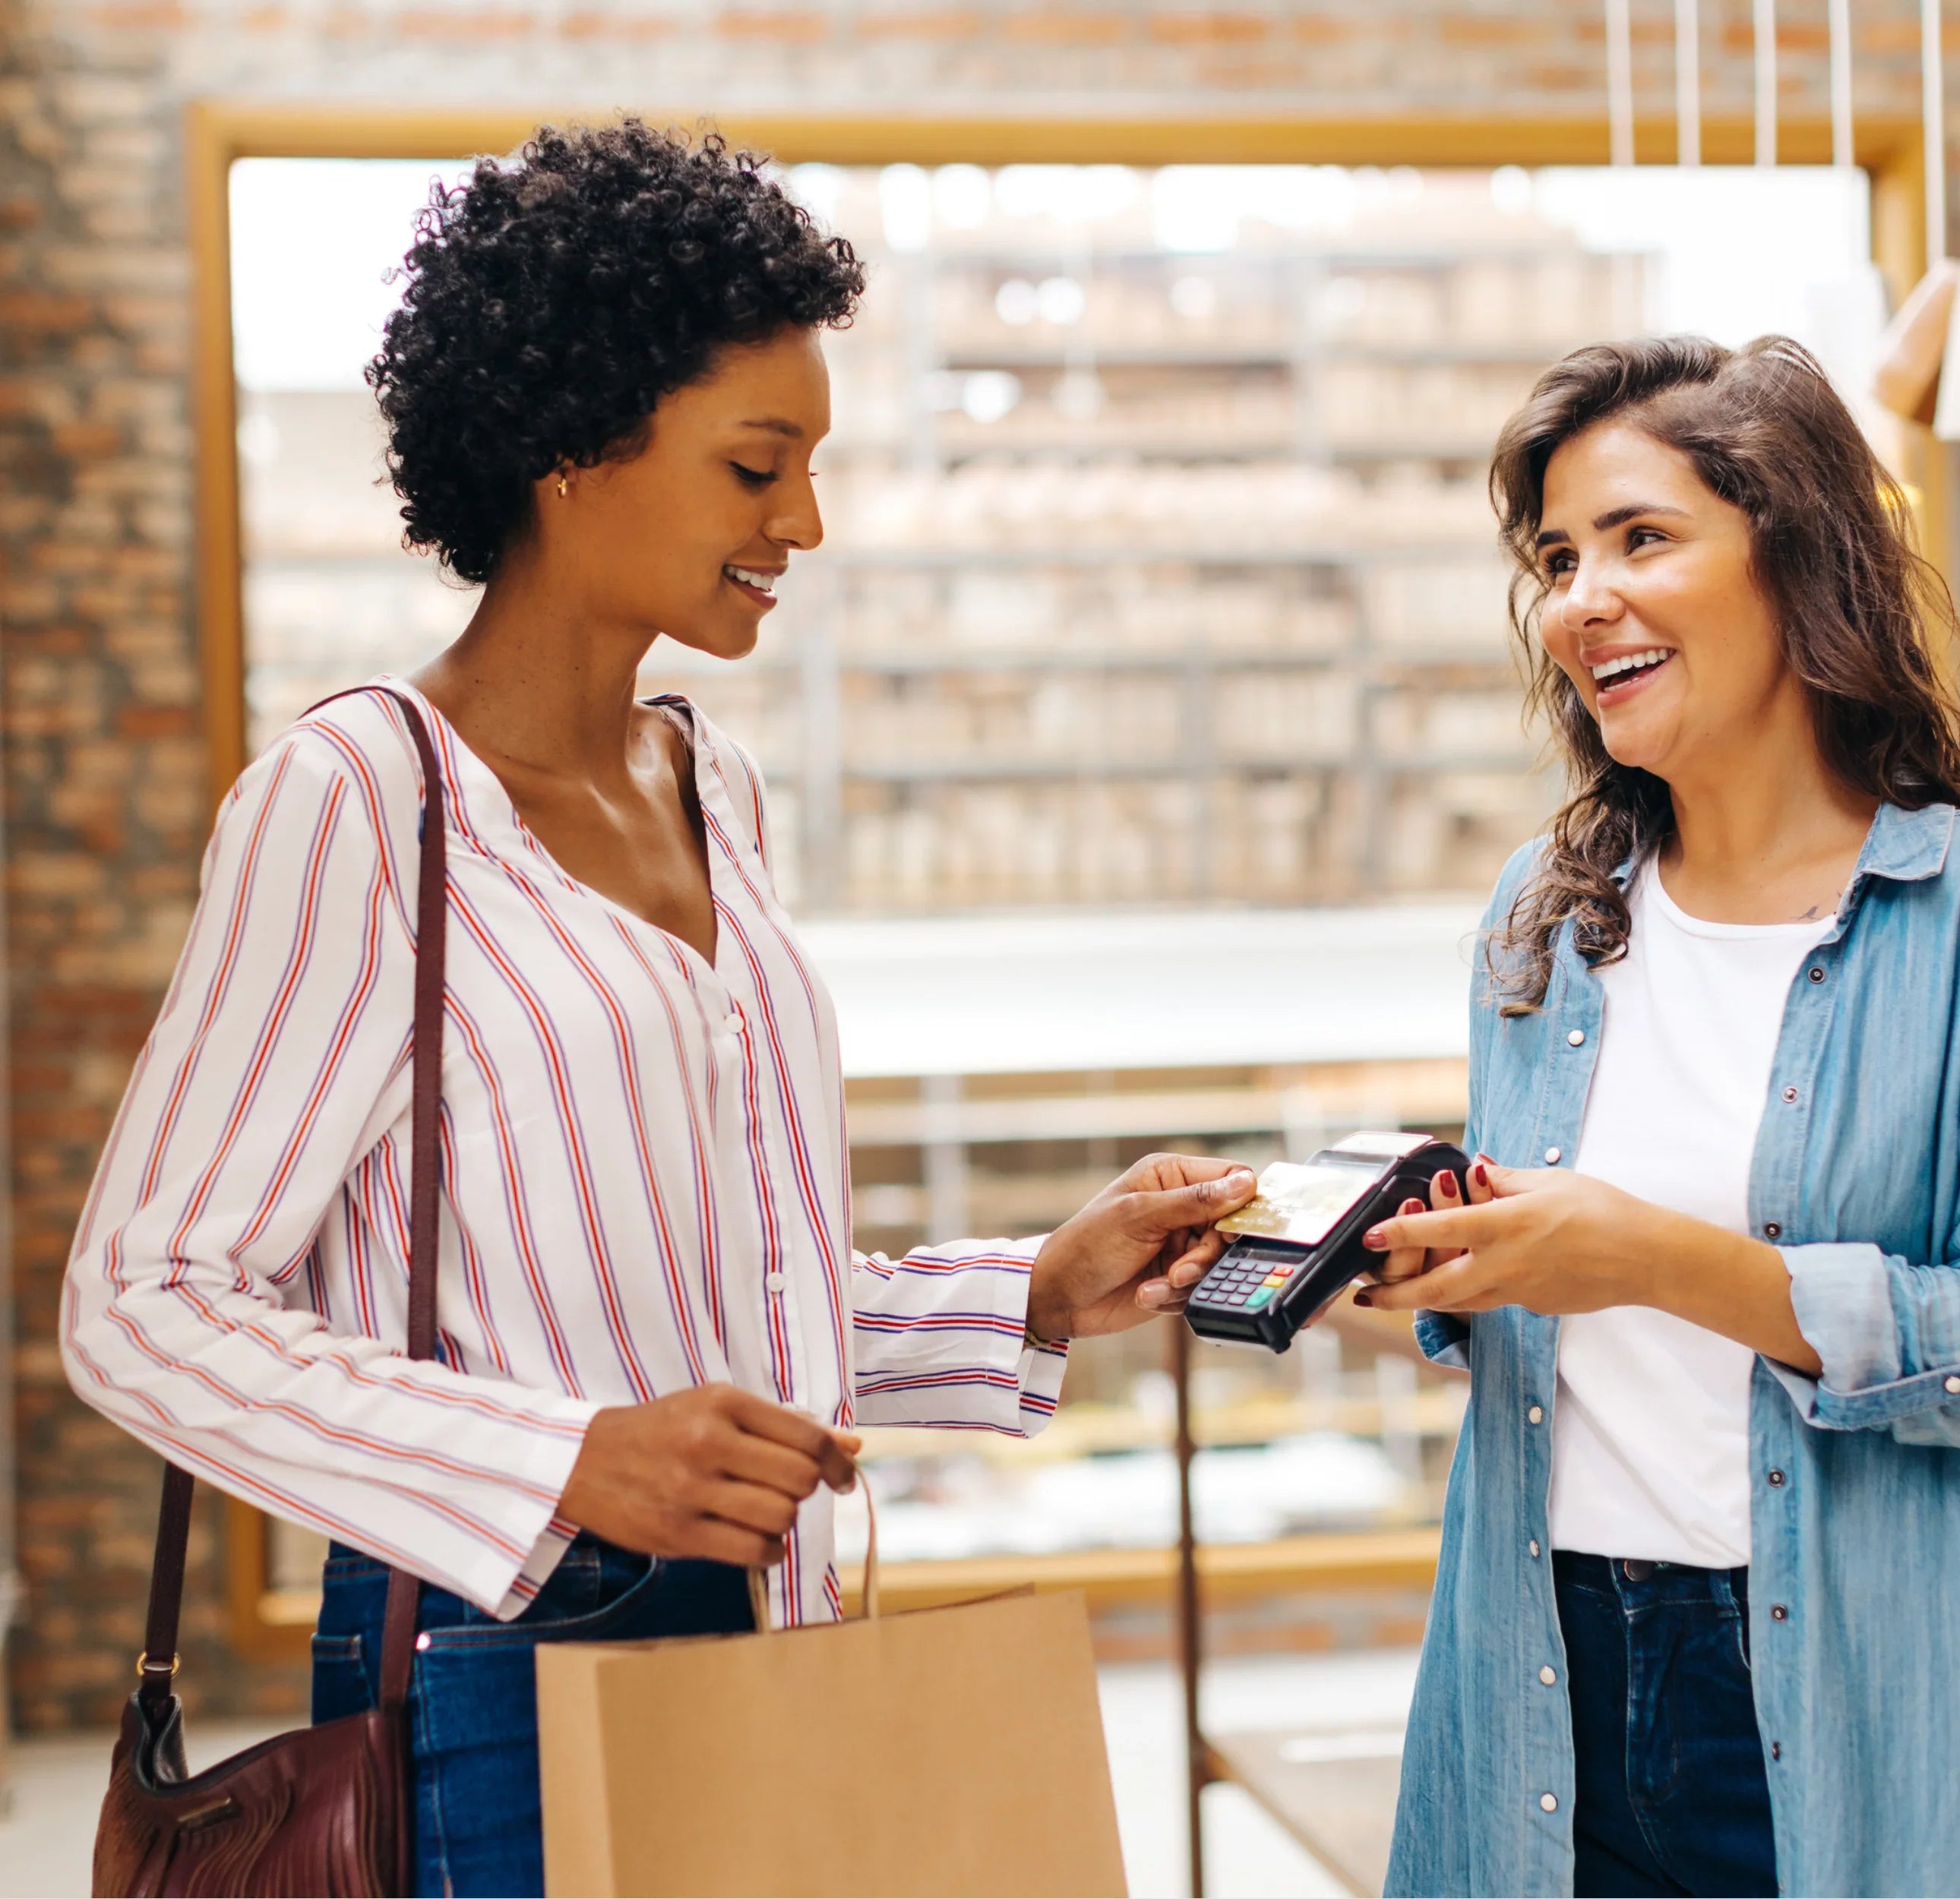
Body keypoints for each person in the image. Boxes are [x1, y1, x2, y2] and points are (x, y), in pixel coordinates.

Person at [60, 122, 1251, 1897]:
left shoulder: (716, 786)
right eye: (756, 464)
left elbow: (718, 1297)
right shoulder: (361, 803)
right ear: (569, 449)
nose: (806, 522)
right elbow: (139, 1303)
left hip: (773, 1618)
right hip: (497, 1673)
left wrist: (1031, 1288)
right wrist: (572, 1458)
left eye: (812, 465)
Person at [1361, 335, 1960, 1897]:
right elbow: (1540, 1303)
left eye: (1642, 537)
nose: (1582, 597)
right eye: (1558, 558)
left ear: (1798, 558)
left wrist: (1647, 1254)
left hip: (1828, 1670)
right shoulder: (1547, 913)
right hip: (1542, 1658)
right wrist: (1415, 1262)